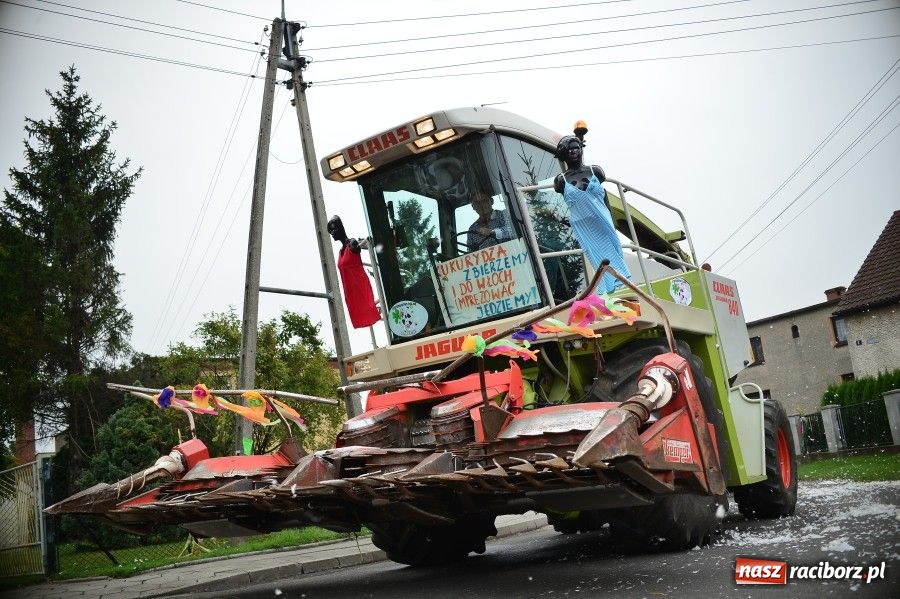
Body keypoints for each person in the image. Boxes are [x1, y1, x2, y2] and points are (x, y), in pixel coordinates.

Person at [553, 135, 631, 293]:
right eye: (569, 149)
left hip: (602, 220)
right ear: (563, 154)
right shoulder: (560, 181)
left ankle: (622, 286)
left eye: (576, 147)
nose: (573, 151)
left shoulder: (595, 171)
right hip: (584, 226)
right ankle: (606, 290)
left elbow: (605, 200)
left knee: (615, 252)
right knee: (597, 259)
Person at [327, 215, 381, 329]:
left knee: (369, 312)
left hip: (360, 287)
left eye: (334, 229)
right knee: (359, 315)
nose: (332, 233)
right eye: (330, 231)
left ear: (340, 228)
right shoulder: (340, 251)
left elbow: (355, 252)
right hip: (350, 292)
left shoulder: (352, 244)